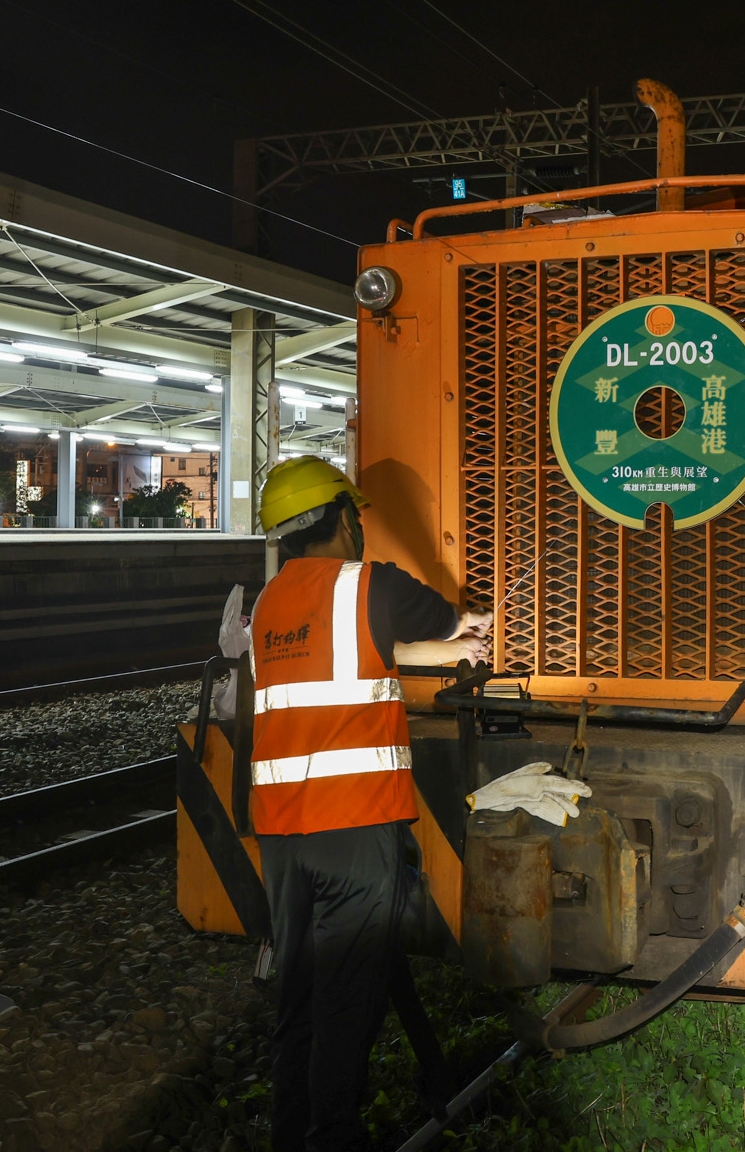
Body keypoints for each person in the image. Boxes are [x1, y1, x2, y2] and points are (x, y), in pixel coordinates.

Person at [248, 457, 491, 1152]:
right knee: (347, 1008)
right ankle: (335, 1138)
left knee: (297, 1006)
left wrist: (433, 647)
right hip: (355, 830)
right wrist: (467, 624)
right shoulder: (369, 584)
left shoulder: (268, 606)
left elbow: (358, 654)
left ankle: (289, 1137)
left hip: (284, 840)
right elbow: (449, 615)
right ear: (347, 521)